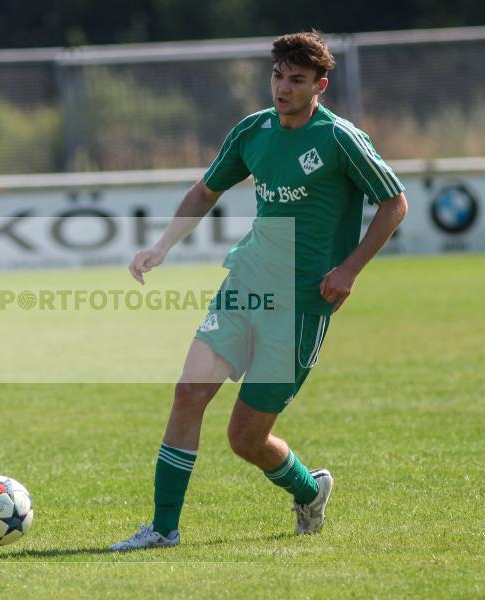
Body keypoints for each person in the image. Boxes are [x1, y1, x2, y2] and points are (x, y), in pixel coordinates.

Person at [110, 31, 408, 551]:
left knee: (245, 438)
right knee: (188, 393)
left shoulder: (340, 139)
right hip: (246, 284)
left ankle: (308, 490)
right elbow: (206, 190)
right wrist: (161, 248)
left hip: (302, 303)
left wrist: (350, 270)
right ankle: (162, 529)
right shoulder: (254, 131)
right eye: (277, 77)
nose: (283, 88)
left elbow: (394, 203)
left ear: (320, 84)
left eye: (296, 80)